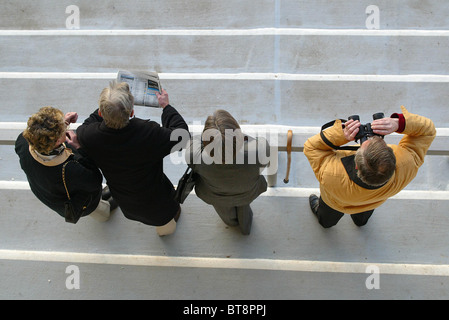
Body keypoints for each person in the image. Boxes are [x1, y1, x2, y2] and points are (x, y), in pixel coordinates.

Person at [76, 81, 189, 236]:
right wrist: (166, 107)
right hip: (158, 203)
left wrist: (108, 106)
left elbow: (87, 124)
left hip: (124, 200)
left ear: (101, 113)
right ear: (131, 112)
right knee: (166, 226)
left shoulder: (87, 136)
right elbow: (182, 137)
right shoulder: (148, 134)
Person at [304, 106, 436, 228]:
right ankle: (360, 221)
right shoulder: (407, 164)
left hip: (336, 203)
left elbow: (311, 147)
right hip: (375, 199)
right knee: (364, 211)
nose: (368, 139)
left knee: (327, 217)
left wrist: (341, 135)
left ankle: (326, 223)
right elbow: (427, 132)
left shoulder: (331, 174)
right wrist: (399, 123)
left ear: (356, 165)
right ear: (393, 157)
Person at [15, 106, 116, 223]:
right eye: (64, 128)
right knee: (101, 211)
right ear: (58, 141)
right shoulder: (70, 169)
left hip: (47, 191)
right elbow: (94, 181)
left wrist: (61, 124)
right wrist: (80, 147)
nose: (66, 127)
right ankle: (105, 212)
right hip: (79, 202)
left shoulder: (22, 141)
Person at [186, 109, 270, 235]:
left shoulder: (194, 155)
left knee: (224, 213)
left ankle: (231, 222)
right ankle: (245, 226)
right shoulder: (258, 149)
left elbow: (195, 141)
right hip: (247, 191)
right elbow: (265, 162)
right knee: (244, 206)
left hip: (215, 195)